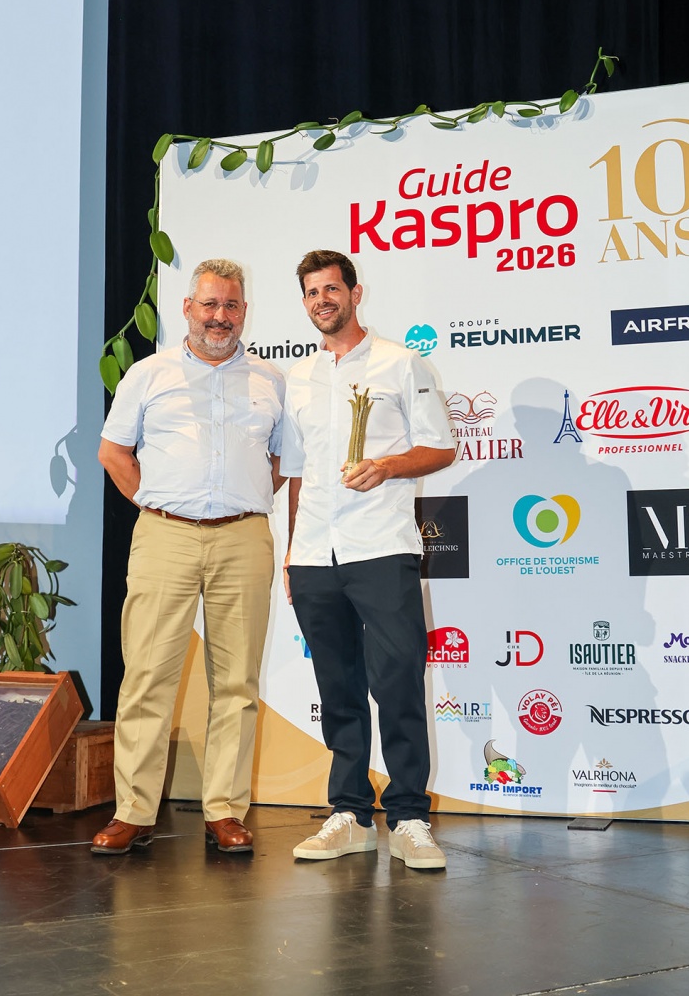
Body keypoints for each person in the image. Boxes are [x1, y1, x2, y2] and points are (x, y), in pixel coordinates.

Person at [91, 258, 284, 855]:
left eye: (230, 306)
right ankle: (133, 812)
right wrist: (158, 502)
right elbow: (113, 452)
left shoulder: (270, 381)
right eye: (209, 305)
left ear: (244, 312)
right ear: (187, 309)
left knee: (237, 684)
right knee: (147, 676)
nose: (219, 317)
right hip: (164, 536)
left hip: (243, 538)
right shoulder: (148, 374)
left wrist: (239, 500)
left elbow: (280, 463)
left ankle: (224, 811)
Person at [281, 249, 455, 870]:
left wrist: (386, 465)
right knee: (338, 689)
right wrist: (292, 552)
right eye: (311, 292)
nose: (321, 301)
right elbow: (297, 472)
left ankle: (409, 816)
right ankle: (350, 814)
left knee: (398, 681)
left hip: (382, 546)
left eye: (331, 289)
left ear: (356, 294)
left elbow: (440, 448)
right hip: (314, 554)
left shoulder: (401, 363)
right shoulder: (298, 378)